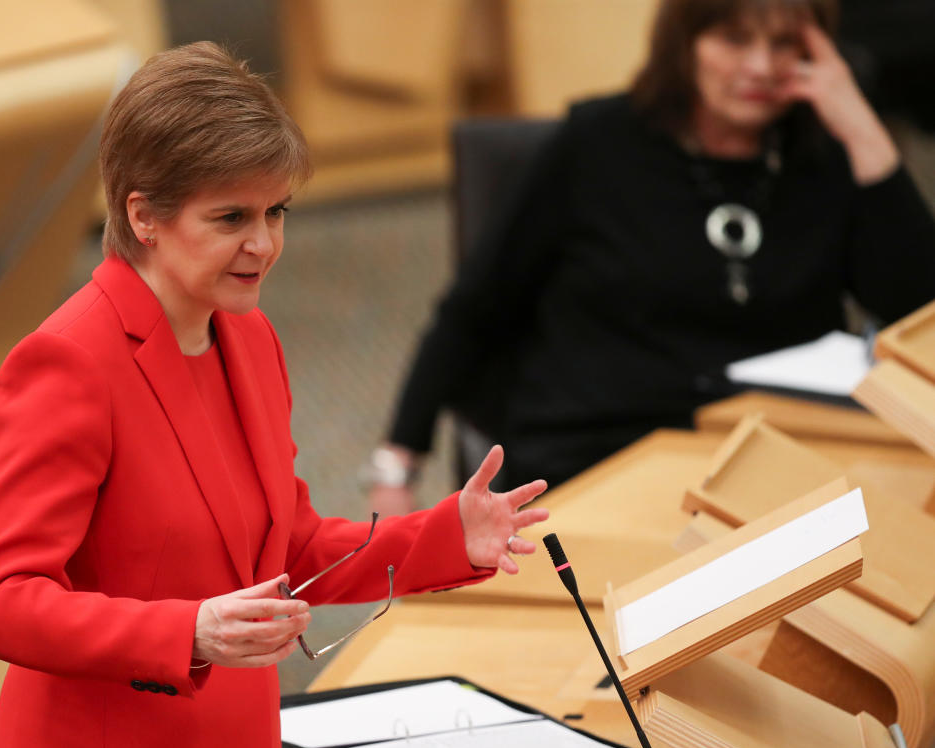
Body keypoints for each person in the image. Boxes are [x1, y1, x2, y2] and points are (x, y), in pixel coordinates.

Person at [0, 42, 549, 748]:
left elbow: (289, 547)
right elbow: (4, 602)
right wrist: (188, 630)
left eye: (276, 211)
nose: (265, 244)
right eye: (231, 218)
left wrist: (445, 536)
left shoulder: (248, 338)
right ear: (144, 216)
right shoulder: (69, 363)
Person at [367, 0, 935, 515]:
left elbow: (917, 314)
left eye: (785, 43)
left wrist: (862, 125)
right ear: (683, 43)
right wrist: (398, 466)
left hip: (777, 459)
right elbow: (474, 309)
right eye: (735, 41)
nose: (761, 67)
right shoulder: (597, 143)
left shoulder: (828, 151)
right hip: (604, 452)